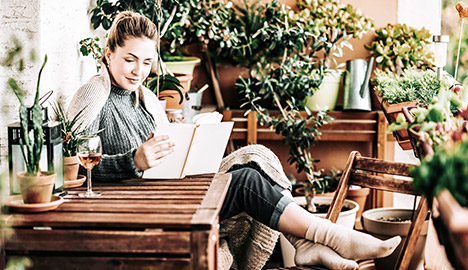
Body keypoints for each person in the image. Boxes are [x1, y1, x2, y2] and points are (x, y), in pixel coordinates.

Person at [67, 11, 401, 270]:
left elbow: (164, 152)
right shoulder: (94, 92)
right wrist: (133, 161)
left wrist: (188, 136)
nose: (138, 70)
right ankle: (328, 237)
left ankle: (306, 244)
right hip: (142, 208)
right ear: (108, 53)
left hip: (168, 192)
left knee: (254, 160)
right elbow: (72, 168)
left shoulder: (144, 97)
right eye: (129, 59)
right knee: (245, 182)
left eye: (147, 62)